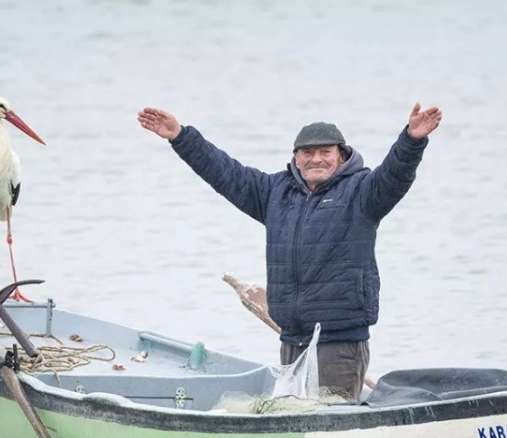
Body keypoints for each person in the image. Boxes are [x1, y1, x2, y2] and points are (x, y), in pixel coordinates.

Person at [137, 103, 442, 401]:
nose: (316, 159)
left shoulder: (362, 192)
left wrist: (412, 140)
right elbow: (225, 173)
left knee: (333, 423)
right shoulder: (276, 193)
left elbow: (395, 175)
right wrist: (181, 136)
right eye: (308, 152)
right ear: (296, 158)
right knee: (298, 419)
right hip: (292, 340)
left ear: (341, 155)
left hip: (339, 343)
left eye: (325, 152)